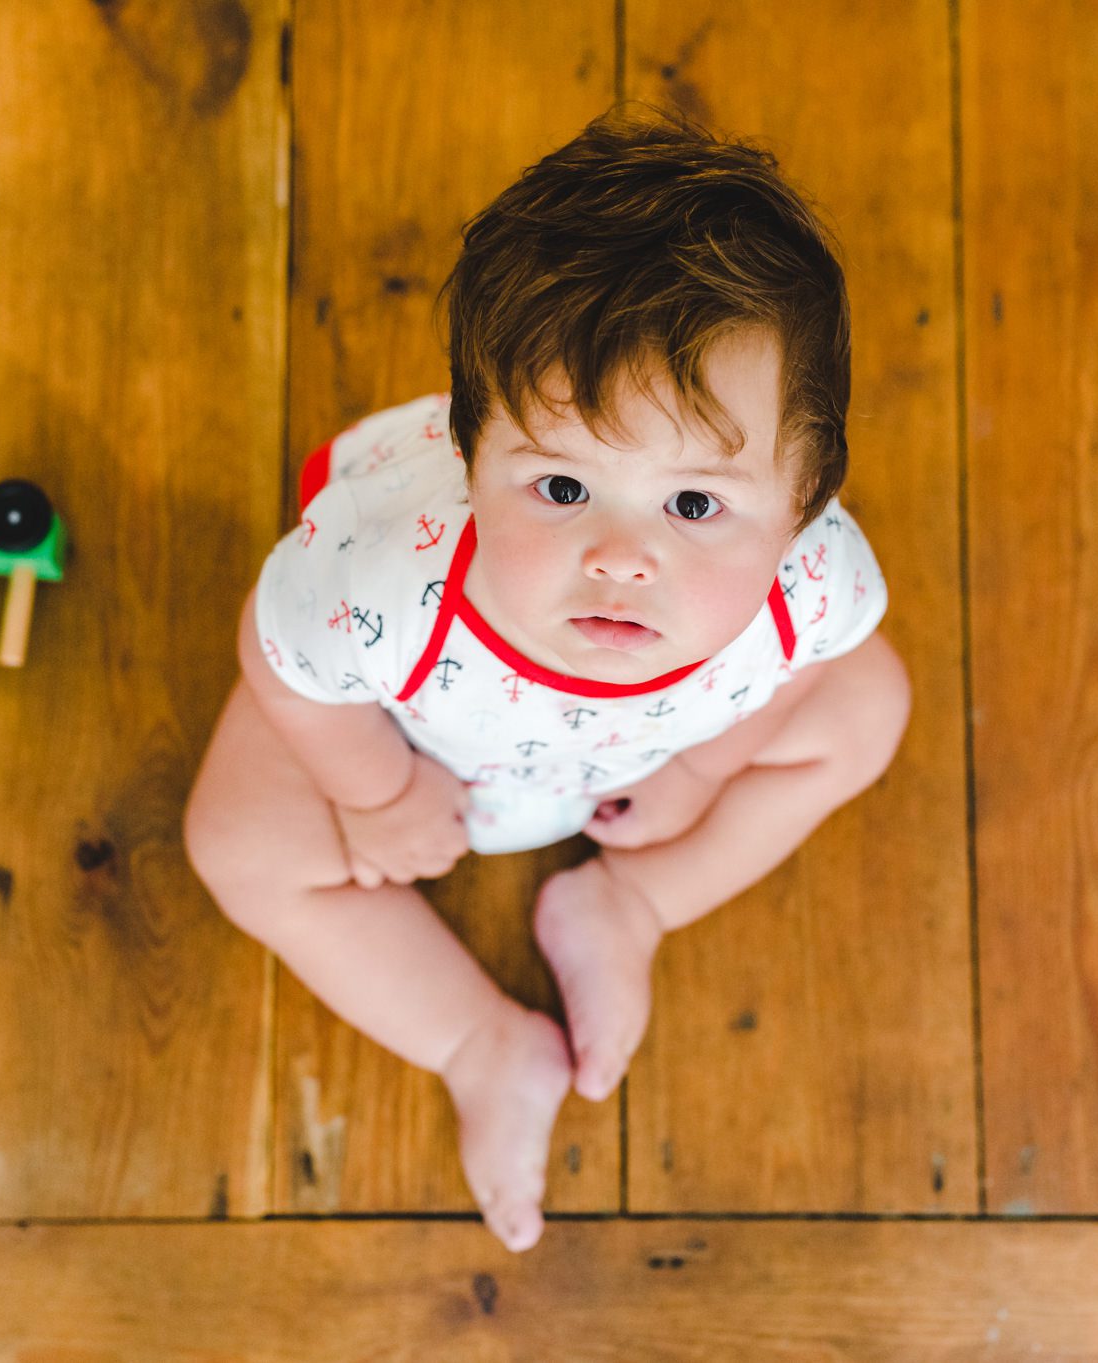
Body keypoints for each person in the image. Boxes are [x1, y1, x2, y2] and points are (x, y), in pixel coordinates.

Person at [182, 102, 912, 1253]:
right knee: (240, 844)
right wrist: (372, 789)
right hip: (423, 741)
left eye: (693, 504)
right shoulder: (384, 577)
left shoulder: (807, 584)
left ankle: (630, 903)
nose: (622, 556)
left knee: (870, 707)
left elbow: (817, 671)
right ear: (471, 457)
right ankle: (479, 1041)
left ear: (800, 505)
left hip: (646, 760)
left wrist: (708, 766)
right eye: (561, 488)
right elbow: (281, 659)